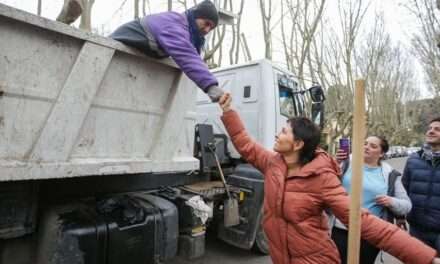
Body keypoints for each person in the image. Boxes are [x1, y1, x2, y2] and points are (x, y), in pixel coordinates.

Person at [218, 92, 440, 264]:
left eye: (284, 132)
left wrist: (426, 257)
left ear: (298, 144)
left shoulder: (322, 179)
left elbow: (364, 222)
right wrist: (229, 111)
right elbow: (245, 144)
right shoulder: (273, 164)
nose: (277, 134)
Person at [110, 0, 224, 102]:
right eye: (207, 23)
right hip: (109, 51)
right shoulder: (174, 23)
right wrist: (211, 86)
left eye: (212, 28)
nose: (207, 30)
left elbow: (191, 54)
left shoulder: (186, 32)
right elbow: (186, 55)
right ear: (196, 16)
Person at [332, 136, 412, 264]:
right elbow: (325, 182)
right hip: (341, 229)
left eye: (373, 146)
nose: (366, 147)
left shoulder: (390, 174)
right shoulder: (346, 163)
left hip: (370, 233)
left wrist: (390, 201)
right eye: (365, 143)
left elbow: (407, 205)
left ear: (381, 153)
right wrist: (335, 162)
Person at [403, 117, 440, 254]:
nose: (431, 131)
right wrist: (400, 215)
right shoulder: (413, 160)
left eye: (437, 129)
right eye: (430, 128)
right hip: (418, 229)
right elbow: (403, 191)